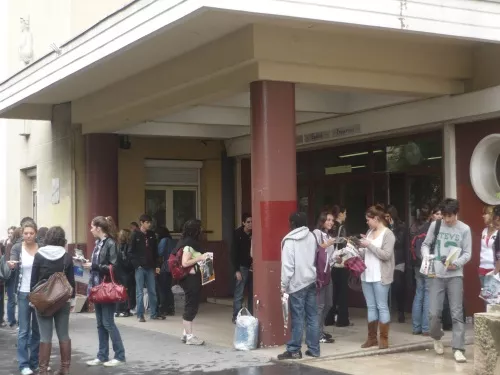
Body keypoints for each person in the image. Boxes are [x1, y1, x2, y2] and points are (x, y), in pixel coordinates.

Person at [421, 198, 471, 363]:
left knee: (457, 314)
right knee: (433, 313)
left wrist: (456, 263)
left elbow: (467, 253)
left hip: (455, 276)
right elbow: (425, 244)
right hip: (436, 274)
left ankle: (458, 348)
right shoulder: (435, 225)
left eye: (450, 216)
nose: (447, 220)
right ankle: (437, 337)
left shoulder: (464, 229)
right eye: (444, 216)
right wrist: (427, 256)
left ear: (456, 213)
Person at [30, 226, 75, 375]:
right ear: (62, 239)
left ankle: (43, 370)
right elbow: (71, 282)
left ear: (48, 237)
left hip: (43, 301)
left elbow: (34, 279)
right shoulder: (67, 257)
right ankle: (65, 368)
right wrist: (72, 301)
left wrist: (32, 298)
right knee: (64, 334)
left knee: (45, 336)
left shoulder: (39, 255)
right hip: (62, 301)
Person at [85, 216, 126, 367]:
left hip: (106, 287)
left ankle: (120, 355)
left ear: (98, 228)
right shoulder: (99, 243)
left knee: (108, 322)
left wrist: (94, 266)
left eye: (92, 227)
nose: (90, 230)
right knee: (100, 323)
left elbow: (113, 267)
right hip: (97, 287)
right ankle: (102, 355)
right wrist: (92, 265)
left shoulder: (110, 243)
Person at [277, 212, 319, 360]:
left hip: (296, 285)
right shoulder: (312, 236)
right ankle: (314, 349)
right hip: (310, 281)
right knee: (313, 316)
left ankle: (294, 350)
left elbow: (287, 267)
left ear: (293, 224)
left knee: (297, 318)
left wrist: (283, 285)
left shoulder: (289, 241)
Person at [359, 205, 395, 350]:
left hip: (381, 276)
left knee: (382, 306)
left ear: (376, 219)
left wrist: (369, 245)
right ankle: (371, 338)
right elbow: (365, 253)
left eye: (369, 219)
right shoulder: (369, 232)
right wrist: (359, 247)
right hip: (366, 275)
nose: (367, 222)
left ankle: (384, 339)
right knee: (371, 306)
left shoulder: (388, 234)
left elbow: (386, 255)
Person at [9, 221, 40, 375]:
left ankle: (35, 362)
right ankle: (23, 364)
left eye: (31, 233)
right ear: (22, 234)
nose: (28, 236)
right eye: (26, 233)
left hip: (39, 294)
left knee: (37, 330)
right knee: (23, 330)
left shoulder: (41, 248)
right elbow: (12, 259)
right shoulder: (17, 248)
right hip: (23, 293)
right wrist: (12, 264)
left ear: (36, 233)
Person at [177, 219, 209, 345]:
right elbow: (185, 263)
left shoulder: (186, 242)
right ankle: (190, 337)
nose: (201, 230)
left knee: (191, 305)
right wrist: (200, 257)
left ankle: (185, 334)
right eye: (199, 228)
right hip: (190, 279)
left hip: (191, 278)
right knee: (191, 306)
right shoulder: (189, 245)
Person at [128, 214, 164, 322]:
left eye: (150, 222)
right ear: (141, 223)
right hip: (140, 267)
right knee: (139, 291)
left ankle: (154, 313)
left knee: (152, 290)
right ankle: (140, 314)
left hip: (150, 266)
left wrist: (157, 265)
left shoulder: (152, 235)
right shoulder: (135, 235)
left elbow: (155, 252)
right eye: (147, 222)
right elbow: (130, 252)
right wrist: (137, 265)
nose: (149, 224)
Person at [312, 211, 336, 343]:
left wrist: (337, 258)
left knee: (328, 304)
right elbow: (314, 250)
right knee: (320, 305)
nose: (331, 222)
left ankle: (319, 330)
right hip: (319, 274)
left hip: (328, 272)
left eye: (332, 220)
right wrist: (327, 244)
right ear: (322, 221)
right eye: (328, 220)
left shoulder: (328, 235)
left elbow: (328, 257)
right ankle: (317, 334)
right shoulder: (316, 233)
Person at [411, 205, 432, 336]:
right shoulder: (431, 229)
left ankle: (416, 327)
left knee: (419, 294)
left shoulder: (414, 227)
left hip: (416, 265)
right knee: (428, 294)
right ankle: (426, 328)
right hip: (428, 264)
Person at [386, 205, 408, 323]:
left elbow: (398, 242)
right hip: (387, 259)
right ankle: (388, 311)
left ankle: (401, 311)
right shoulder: (384, 227)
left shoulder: (401, 226)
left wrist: (392, 228)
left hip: (398, 260)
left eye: (388, 216)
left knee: (398, 286)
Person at [231, 213, 253, 323]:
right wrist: (236, 270)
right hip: (242, 267)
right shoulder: (237, 234)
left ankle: (251, 315)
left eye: (252, 222)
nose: (250, 224)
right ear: (243, 223)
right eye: (248, 222)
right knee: (239, 293)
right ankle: (236, 316)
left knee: (252, 293)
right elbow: (233, 253)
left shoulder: (255, 233)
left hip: (253, 267)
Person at [478, 206, 498, 300]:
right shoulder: (484, 231)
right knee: (486, 298)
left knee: (494, 300)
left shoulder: (498, 232)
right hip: (482, 269)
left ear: (491, 216)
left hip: (494, 269)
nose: (483, 216)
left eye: (485, 214)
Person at [157, 227, 176, 316]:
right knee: (168, 287)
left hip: (164, 266)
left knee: (162, 288)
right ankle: (171, 308)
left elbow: (159, 252)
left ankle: (163, 308)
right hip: (171, 267)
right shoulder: (172, 241)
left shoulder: (163, 240)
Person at [115, 229, 135, 317]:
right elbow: (128, 260)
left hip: (118, 271)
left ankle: (118, 309)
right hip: (126, 272)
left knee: (119, 290)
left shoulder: (117, 246)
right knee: (127, 291)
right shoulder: (127, 247)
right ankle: (126, 309)